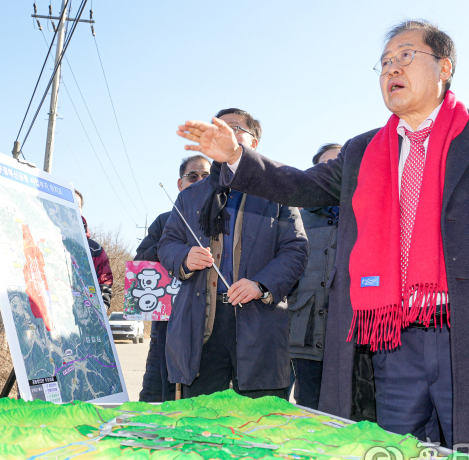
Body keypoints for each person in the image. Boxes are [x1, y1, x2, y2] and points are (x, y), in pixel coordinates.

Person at [176, 22, 469, 460]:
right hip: (391, 341)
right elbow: (299, 184)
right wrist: (236, 156)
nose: (391, 68)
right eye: (385, 62)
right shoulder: (363, 151)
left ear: (444, 67)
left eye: (406, 56)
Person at [159, 108, 308, 399]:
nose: (224, 133)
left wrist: (260, 284)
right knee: (201, 424)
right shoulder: (190, 195)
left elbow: (296, 249)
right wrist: (184, 257)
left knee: (261, 423)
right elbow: (167, 244)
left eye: (235, 127)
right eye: (218, 128)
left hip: (259, 320)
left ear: (254, 143)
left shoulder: (278, 190)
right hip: (200, 325)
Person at [135, 155, 211, 402]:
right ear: (180, 184)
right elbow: (140, 265)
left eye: (206, 177)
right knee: (156, 395)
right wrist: (172, 246)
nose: (199, 181)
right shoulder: (164, 220)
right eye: (193, 176)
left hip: (209, 323)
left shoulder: (224, 217)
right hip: (167, 324)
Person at [287, 144, 344, 410]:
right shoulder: (296, 217)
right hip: (305, 332)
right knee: (308, 408)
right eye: (325, 166)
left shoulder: (367, 214)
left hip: (351, 334)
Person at [75, 189, 113, 309]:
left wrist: (101, 313)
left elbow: (105, 284)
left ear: (81, 210)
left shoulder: (95, 250)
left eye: (77, 205)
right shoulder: (42, 239)